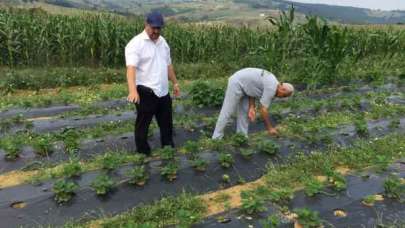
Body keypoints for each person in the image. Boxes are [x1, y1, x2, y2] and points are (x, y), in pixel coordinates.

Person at [125, 11, 180, 155]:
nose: (156, 31)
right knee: (143, 125)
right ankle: (143, 153)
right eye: (153, 28)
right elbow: (131, 69)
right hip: (145, 92)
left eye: (159, 28)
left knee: (166, 124)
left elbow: (168, 65)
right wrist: (133, 91)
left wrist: (175, 83)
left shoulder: (163, 43)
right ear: (146, 25)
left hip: (163, 91)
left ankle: (168, 150)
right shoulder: (136, 44)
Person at [212, 68, 294, 139]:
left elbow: (253, 89)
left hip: (246, 85)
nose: (281, 97)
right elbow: (263, 110)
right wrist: (270, 128)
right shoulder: (271, 88)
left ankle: (241, 137)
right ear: (282, 89)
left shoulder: (273, 83)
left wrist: (251, 107)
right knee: (227, 111)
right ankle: (216, 138)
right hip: (237, 82)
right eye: (283, 95)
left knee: (245, 112)